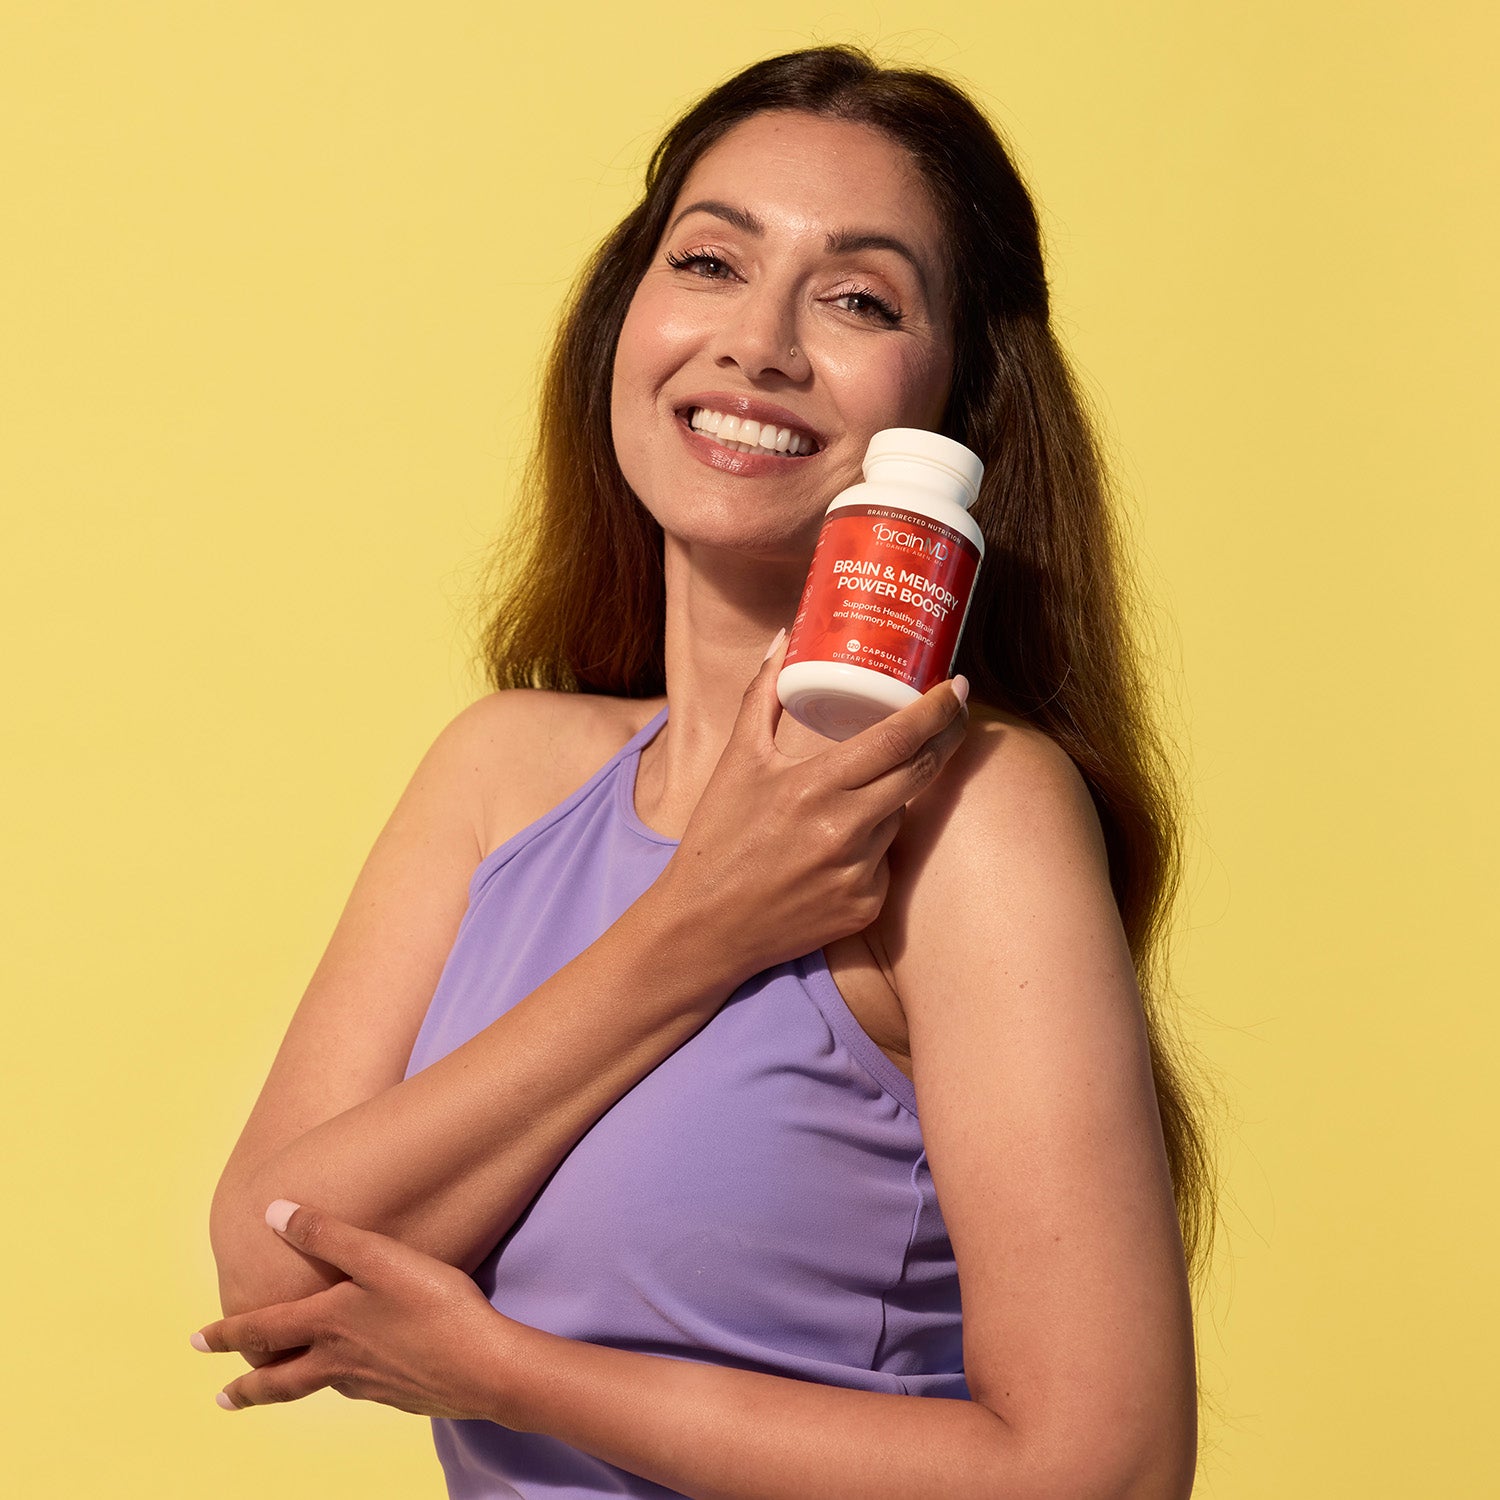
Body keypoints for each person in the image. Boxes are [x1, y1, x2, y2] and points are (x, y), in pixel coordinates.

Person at [194, 44, 1216, 1500]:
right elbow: (271, 1273)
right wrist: (701, 926)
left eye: (859, 299)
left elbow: (1100, 1471)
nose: (760, 343)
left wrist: (509, 1375)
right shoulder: (502, 774)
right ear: (626, 317)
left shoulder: (969, 815)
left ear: (954, 412)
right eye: (711, 262)